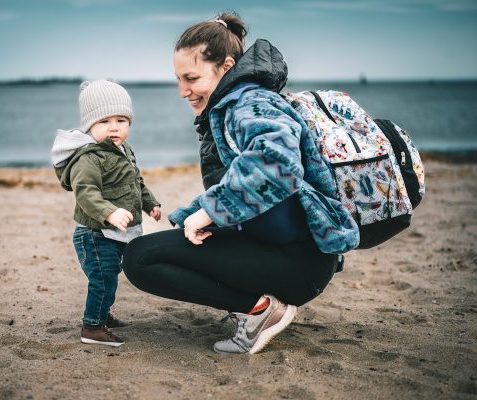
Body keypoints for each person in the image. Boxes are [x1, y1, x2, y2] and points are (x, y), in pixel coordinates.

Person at [122, 13, 359, 354]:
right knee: (144, 253)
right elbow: (243, 183)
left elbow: (278, 165)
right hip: (282, 250)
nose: (182, 91)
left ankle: (261, 311)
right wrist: (189, 215)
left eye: (191, 78)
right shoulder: (232, 105)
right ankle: (254, 305)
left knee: (141, 261)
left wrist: (208, 212)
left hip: (299, 262)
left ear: (226, 66)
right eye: (178, 79)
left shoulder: (250, 103)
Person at [51, 80, 162, 347]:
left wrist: (150, 204)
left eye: (121, 120)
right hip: (95, 233)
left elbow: (136, 181)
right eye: (104, 121)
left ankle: (102, 315)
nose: (114, 127)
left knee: (109, 277)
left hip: (115, 233)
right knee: (102, 279)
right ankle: (92, 328)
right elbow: (86, 192)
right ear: (89, 126)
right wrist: (109, 212)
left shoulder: (124, 149)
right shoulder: (89, 157)